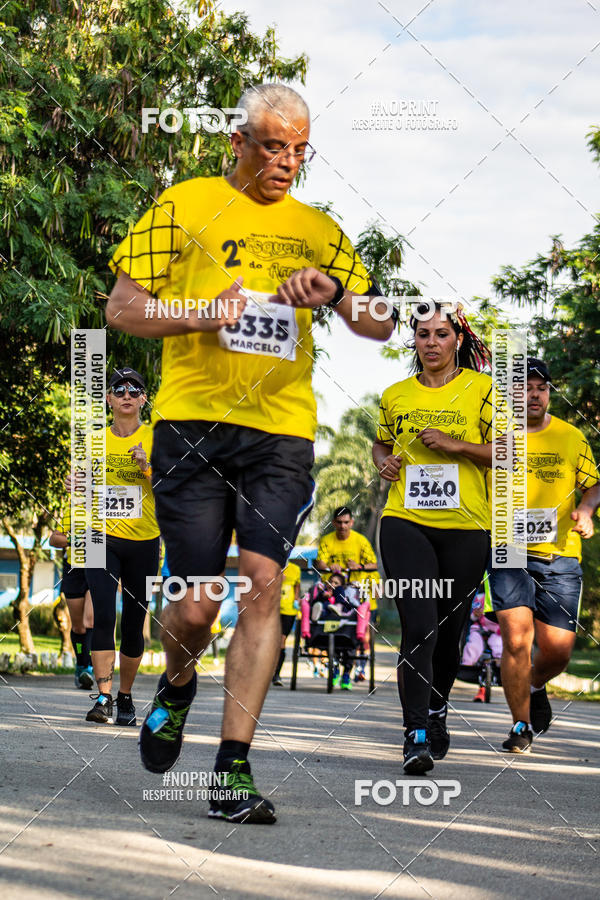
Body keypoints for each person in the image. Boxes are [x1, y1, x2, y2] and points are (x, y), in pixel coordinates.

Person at [105, 83, 394, 823]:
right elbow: (123, 307)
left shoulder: (318, 227)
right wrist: (201, 312)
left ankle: (232, 768)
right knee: (196, 606)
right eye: (273, 145)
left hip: (282, 429)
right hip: (194, 424)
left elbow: (380, 320)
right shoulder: (184, 206)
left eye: (300, 149)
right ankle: (175, 687)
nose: (287, 161)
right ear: (237, 142)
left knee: (264, 583)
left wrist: (332, 292)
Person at [373, 301, 501, 774]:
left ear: (458, 340)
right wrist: (381, 461)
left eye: (441, 334)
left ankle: (438, 706)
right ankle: (415, 733)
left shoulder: (483, 390)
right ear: (414, 341)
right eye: (423, 334)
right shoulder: (396, 393)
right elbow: (382, 442)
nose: (431, 343)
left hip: (467, 527)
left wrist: (457, 447)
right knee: (419, 625)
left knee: (450, 632)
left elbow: (508, 452)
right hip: (405, 520)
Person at [488, 358, 600, 752]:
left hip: (561, 556)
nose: (533, 394)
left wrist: (586, 510)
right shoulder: (497, 439)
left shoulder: (571, 437)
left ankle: (535, 685)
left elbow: (593, 485)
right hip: (509, 551)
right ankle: (520, 726)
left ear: (549, 393)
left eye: (541, 387)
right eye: (524, 388)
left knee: (558, 651)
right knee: (516, 639)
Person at [82, 368, 160, 727]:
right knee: (103, 615)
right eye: (119, 389)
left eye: (135, 389)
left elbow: (173, 491)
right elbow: (83, 489)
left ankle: (126, 695)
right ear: (109, 399)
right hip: (101, 537)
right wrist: (75, 483)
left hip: (144, 541)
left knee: (133, 623)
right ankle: (103, 697)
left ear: (143, 399)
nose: (127, 394)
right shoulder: (94, 441)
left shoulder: (157, 438)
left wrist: (147, 468)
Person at [49, 503, 94, 689]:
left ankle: (90, 667)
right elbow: (54, 539)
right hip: (74, 569)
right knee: (78, 627)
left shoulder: (109, 512)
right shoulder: (74, 512)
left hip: (98, 566)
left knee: (90, 621)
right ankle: (81, 664)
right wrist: (74, 539)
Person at [315, 508, 378, 591]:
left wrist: (359, 566)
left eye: (346, 522)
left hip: (355, 590)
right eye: (339, 522)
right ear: (334, 522)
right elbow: (320, 564)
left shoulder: (361, 540)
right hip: (332, 589)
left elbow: (374, 565)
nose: (342, 526)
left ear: (351, 522)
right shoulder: (326, 540)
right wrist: (330, 567)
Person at [460, 585, 502, 702]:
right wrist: (475, 615)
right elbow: (472, 616)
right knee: (473, 645)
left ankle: (500, 661)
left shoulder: (503, 599)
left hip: (498, 631)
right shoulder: (480, 598)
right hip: (480, 629)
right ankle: (468, 663)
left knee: (499, 644)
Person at [272, 559, 301, 687]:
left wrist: (296, 600)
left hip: (289, 611)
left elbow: (297, 586)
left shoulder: (295, 569)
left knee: (282, 640)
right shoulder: (272, 566)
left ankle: (276, 674)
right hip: (273, 608)